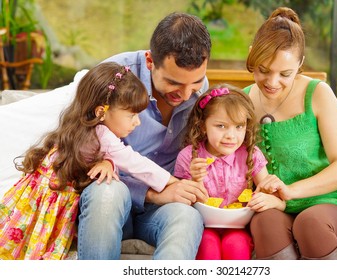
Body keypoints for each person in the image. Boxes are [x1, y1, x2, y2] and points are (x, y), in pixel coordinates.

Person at [0, 61, 178, 259]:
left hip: (35, 198)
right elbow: (134, 162)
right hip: (50, 200)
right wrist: (171, 181)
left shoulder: (77, 126)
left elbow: (90, 161)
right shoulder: (102, 134)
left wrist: (107, 163)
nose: (137, 122)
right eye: (132, 115)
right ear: (101, 112)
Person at [77, 12, 211, 260]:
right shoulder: (112, 80)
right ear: (150, 61)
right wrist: (154, 193)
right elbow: (80, 158)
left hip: (160, 210)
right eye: (173, 83)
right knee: (107, 192)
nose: (185, 94)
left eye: (195, 83)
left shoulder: (197, 89)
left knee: (187, 217)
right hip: (115, 197)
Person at [244, 7, 337, 260]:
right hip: (275, 206)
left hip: (331, 202)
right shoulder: (243, 101)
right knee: (263, 223)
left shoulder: (318, 93)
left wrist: (292, 191)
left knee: (309, 224)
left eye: (285, 74)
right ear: (251, 56)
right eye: (263, 70)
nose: (272, 82)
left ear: (299, 64)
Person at [174, 85, 285, 260]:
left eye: (239, 127)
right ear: (203, 126)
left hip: (239, 228)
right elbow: (181, 206)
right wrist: (196, 179)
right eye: (221, 126)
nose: (231, 135)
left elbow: (276, 199)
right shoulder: (189, 157)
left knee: (236, 245)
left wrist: (272, 200)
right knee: (207, 244)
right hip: (201, 227)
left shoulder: (251, 154)